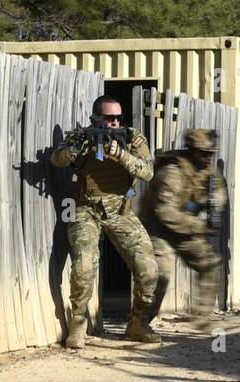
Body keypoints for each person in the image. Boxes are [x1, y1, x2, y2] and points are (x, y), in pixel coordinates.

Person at [50, 94, 158, 347]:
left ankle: (138, 323)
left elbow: (148, 172)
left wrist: (121, 155)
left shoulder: (131, 137)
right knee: (84, 266)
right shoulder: (81, 135)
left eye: (118, 117)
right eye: (109, 118)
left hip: (120, 210)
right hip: (85, 208)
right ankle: (78, 323)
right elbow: (57, 159)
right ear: (95, 118)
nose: (114, 123)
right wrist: (76, 148)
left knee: (148, 268)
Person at [140, 128, 228, 333]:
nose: (207, 158)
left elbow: (218, 192)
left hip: (183, 228)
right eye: (203, 153)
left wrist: (214, 204)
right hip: (158, 228)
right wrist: (199, 225)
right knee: (161, 274)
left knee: (210, 263)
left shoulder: (208, 173)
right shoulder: (172, 171)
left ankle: (202, 318)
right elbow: (164, 212)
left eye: (210, 153)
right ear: (191, 151)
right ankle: (141, 322)